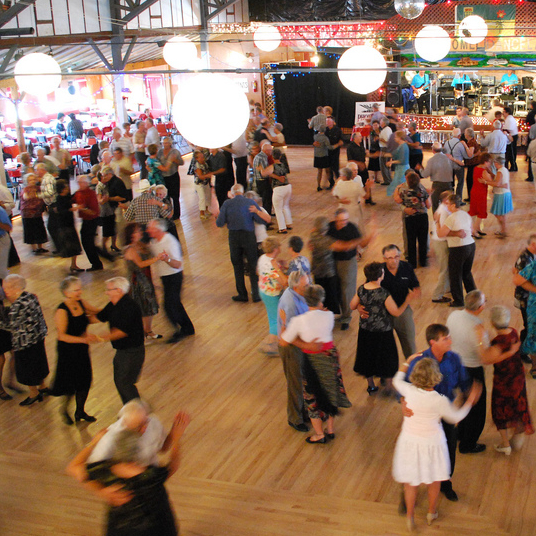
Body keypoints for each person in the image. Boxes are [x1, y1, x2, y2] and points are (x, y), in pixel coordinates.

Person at [67, 407, 190, 536]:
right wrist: (177, 437)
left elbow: (74, 467)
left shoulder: (105, 470)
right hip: (156, 526)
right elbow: (173, 466)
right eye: (141, 425)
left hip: (120, 529)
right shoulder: (150, 476)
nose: (146, 426)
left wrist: (94, 442)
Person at [393, 356, 481, 531]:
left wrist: (408, 361)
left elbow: (396, 379)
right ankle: (431, 513)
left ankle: (410, 516)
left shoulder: (408, 390)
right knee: (434, 480)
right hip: (432, 443)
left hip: (410, 441)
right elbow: (455, 417)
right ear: (435, 377)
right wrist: (470, 401)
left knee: (411, 482)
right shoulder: (438, 399)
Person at [404, 324, 472, 503]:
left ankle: (445, 482)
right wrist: (404, 405)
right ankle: (410, 489)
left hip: (445, 411)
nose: (450, 341)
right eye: (446, 339)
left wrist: (467, 394)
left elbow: (463, 382)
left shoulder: (454, 359)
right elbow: (404, 387)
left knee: (448, 449)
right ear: (432, 342)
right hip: (423, 416)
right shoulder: (419, 361)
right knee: (420, 453)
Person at [280, 284, 351, 444]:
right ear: (321, 299)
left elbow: (284, 341)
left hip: (312, 360)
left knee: (312, 397)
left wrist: (285, 325)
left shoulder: (299, 321)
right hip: (330, 357)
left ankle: (319, 434)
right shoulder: (329, 315)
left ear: (305, 300)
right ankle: (330, 429)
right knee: (330, 391)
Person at [351, 262, 416, 395]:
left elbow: (352, 305)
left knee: (368, 356)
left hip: (365, 330)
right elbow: (396, 312)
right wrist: (407, 300)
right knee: (387, 358)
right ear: (381, 275)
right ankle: (388, 387)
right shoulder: (383, 293)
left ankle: (371, 386)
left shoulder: (361, 289)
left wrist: (359, 307)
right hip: (383, 331)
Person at [51, 277, 100, 425]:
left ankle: (80, 411)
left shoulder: (81, 303)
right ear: (66, 292)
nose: (80, 292)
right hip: (68, 350)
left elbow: (93, 315)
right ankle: (64, 409)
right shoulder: (62, 310)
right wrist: (83, 339)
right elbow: (62, 336)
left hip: (81, 349)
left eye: (79, 289)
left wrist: (111, 311)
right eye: (76, 290)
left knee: (84, 381)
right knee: (70, 383)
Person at [485, 305, 533, 455]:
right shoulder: (513, 332)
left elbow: (487, 359)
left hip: (503, 381)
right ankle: (517, 433)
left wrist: (480, 341)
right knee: (518, 403)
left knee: (500, 410)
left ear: (492, 323)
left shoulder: (497, 342)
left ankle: (505, 444)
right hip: (517, 378)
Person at [216, 184, 270, 303]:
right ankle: (256, 294)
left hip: (234, 237)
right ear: (242, 191)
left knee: (237, 265)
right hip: (249, 236)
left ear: (232, 193)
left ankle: (242, 294)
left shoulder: (227, 204)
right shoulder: (249, 202)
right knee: (253, 263)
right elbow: (261, 220)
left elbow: (219, 223)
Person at [95, 277, 145, 403]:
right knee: (122, 382)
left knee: (125, 383)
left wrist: (99, 338)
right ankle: (132, 411)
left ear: (118, 290)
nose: (106, 292)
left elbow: (121, 332)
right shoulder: (114, 303)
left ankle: (136, 414)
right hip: (123, 351)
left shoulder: (129, 307)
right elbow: (100, 317)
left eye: (108, 290)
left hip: (132, 352)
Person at [1, 275, 49, 406]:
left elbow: (11, 326)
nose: (5, 291)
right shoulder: (31, 296)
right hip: (38, 337)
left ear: (15, 288)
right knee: (39, 363)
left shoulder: (18, 305)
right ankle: (43, 387)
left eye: (6, 288)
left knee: (28, 368)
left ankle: (34, 393)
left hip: (25, 342)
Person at [147, 219, 195, 344]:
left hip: (174, 277)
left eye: (150, 228)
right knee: (176, 303)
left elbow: (178, 264)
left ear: (158, 230)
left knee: (169, 306)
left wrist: (167, 260)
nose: (148, 230)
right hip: (165, 277)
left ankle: (178, 330)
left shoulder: (170, 242)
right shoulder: (153, 241)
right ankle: (188, 328)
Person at [277, 271, 311, 432]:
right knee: (295, 382)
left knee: (302, 380)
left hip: (300, 343)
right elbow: (289, 335)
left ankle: (303, 411)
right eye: (306, 285)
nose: (309, 287)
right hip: (291, 348)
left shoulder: (298, 294)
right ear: (296, 287)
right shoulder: (290, 303)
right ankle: (295, 418)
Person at [327, 208, 366, 331]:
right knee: (335, 288)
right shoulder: (330, 227)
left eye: (346, 220)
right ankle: (337, 313)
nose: (344, 222)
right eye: (341, 220)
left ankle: (346, 318)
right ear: (336, 219)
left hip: (348, 263)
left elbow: (361, 243)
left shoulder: (352, 228)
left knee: (347, 291)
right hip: (332, 262)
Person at [123, 223, 163, 340]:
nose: (140, 232)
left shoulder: (139, 245)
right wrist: (157, 258)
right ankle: (141, 333)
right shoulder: (130, 249)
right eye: (137, 231)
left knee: (149, 306)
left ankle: (148, 331)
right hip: (137, 282)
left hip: (144, 279)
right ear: (131, 235)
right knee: (143, 307)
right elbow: (140, 264)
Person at [437, 194, 476, 308]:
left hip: (458, 248)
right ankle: (474, 296)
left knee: (455, 275)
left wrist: (437, 222)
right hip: (471, 245)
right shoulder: (465, 214)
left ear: (454, 205)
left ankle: (458, 300)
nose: (446, 205)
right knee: (466, 273)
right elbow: (472, 230)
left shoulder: (451, 218)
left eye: (448, 203)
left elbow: (440, 234)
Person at [393, 172, 430, 269]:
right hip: (422, 217)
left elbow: (398, 200)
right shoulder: (422, 190)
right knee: (423, 239)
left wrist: (397, 189)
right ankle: (423, 261)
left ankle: (412, 263)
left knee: (411, 240)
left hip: (410, 218)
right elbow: (429, 205)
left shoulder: (403, 190)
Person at [257, 237, 287, 355]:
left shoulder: (262, 258)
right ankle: (271, 346)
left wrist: (278, 264)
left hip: (264, 291)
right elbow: (284, 282)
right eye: (279, 246)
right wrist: (277, 268)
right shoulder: (271, 265)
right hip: (272, 294)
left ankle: (273, 342)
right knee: (276, 319)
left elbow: (257, 271)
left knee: (272, 317)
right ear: (275, 249)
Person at [513, 234, 536, 366]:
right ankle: (522, 352)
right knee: (528, 326)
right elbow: (518, 280)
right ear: (533, 245)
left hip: (529, 298)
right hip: (525, 299)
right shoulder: (525, 259)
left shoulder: (531, 256)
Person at [308, 216, 339, 314]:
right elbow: (342, 246)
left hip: (317, 271)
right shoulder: (326, 240)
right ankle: (330, 314)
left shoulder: (312, 236)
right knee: (331, 295)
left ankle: (321, 312)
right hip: (328, 272)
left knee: (320, 294)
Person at [73, 175, 104, 272]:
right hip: (85, 221)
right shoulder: (78, 193)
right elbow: (72, 200)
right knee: (87, 243)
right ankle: (97, 262)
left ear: (86, 183)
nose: (78, 184)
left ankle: (97, 263)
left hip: (91, 221)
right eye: (78, 182)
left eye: (80, 182)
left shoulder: (90, 194)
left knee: (88, 243)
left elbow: (94, 211)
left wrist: (82, 209)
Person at [53, 179, 83, 272]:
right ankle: (73, 265)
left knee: (74, 246)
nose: (67, 188)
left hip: (69, 223)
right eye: (65, 187)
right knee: (71, 245)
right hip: (64, 225)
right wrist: (73, 209)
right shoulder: (59, 199)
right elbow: (61, 211)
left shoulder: (66, 196)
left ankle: (74, 264)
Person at [416, 142, 453, 213]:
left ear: (433, 150)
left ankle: (437, 221)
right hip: (448, 184)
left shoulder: (431, 160)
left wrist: (420, 169)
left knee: (435, 205)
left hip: (437, 185)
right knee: (448, 204)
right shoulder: (448, 158)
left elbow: (425, 175)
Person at [431, 191, 453, 304]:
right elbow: (443, 232)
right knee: (444, 269)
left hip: (440, 242)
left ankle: (447, 288)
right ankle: (437, 295)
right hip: (441, 242)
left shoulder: (443, 209)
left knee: (446, 267)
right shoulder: (443, 212)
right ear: (445, 201)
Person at [21, 173, 48, 255]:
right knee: (30, 230)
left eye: (33, 179)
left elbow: (41, 197)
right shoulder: (25, 189)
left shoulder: (38, 188)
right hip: (28, 214)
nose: (32, 181)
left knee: (39, 229)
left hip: (37, 213)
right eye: (30, 180)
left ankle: (40, 247)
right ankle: (34, 248)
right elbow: (26, 198)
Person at [468, 152, 494, 238]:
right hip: (481, 193)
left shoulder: (476, 168)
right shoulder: (484, 172)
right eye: (489, 162)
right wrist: (490, 171)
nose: (490, 164)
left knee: (475, 210)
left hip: (474, 191)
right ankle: (474, 231)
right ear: (486, 162)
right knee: (481, 212)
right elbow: (491, 181)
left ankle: (478, 229)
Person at [157, 137, 184, 220]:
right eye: (163, 143)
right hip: (163, 177)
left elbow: (181, 162)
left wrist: (174, 160)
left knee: (175, 196)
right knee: (166, 197)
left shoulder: (175, 152)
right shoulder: (160, 152)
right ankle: (167, 213)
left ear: (170, 143)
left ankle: (176, 214)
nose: (165, 145)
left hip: (173, 176)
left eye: (166, 143)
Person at [267, 148, 292, 233]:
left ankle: (282, 228)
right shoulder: (284, 165)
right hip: (288, 186)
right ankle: (288, 223)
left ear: (272, 157)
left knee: (278, 209)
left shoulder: (272, 166)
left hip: (278, 188)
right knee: (285, 206)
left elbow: (264, 173)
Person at [489, 156, 513, 238]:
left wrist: (485, 182)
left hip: (501, 195)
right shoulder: (504, 169)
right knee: (502, 214)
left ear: (496, 163)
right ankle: (503, 230)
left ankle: (503, 231)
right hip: (505, 194)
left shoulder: (499, 172)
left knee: (497, 214)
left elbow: (497, 184)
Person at [387, 131, 410, 197]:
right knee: (398, 183)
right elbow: (395, 154)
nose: (394, 138)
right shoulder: (401, 145)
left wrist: (391, 162)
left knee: (400, 183)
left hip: (403, 168)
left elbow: (402, 160)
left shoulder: (403, 146)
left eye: (396, 137)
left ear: (400, 138)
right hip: (400, 168)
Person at [192, 150, 213, 220]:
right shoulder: (197, 165)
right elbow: (200, 176)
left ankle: (206, 209)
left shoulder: (205, 163)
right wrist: (208, 175)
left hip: (206, 182)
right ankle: (202, 213)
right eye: (200, 157)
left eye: (202, 156)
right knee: (202, 197)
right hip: (199, 183)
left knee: (208, 195)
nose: (202, 158)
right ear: (196, 158)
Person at [463, 128, 481, 203]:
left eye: (465, 133)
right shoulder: (472, 141)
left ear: (467, 135)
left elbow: (470, 154)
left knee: (470, 180)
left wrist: (464, 145)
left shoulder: (471, 143)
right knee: (470, 180)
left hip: (473, 164)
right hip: (473, 163)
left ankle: (471, 197)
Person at [325, 116, 343, 189]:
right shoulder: (325, 130)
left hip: (335, 152)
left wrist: (336, 145)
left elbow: (342, 141)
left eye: (329, 121)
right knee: (328, 169)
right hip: (326, 152)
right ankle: (331, 183)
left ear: (333, 122)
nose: (327, 122)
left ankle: (339, 183)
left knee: (335, 168)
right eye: (326, 121)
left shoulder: (337, 130)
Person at [313, 126, 332, 191]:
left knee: (319, 171)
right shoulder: (325, 138)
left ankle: (318, 185)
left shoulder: (315, 136)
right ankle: (330, 183)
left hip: (317, 155)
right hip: (324, 155)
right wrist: (336, 145)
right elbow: (329, 147)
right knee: (327, 171)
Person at [503, 106, 519, 172]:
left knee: (512, 153)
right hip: (510, 136)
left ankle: (514, 166)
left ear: (507, 112)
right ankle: (513, 166)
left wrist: (504, 130)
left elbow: (508, 128)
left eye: (504, 112)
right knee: (510, 152)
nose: (503, 113)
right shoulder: (508, 118)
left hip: (512, 137)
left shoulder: (509, 119)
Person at [379, 117, 393, 186]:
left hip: (384, 148)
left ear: (383, 123)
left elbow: (387, 141)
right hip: (388, 149)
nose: (380, 122)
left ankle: (387, 180)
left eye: (381, 121)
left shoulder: (385, 130)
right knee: (386, 165)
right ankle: (389, 179)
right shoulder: (388, 129)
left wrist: (379, 139)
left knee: (383, 165)